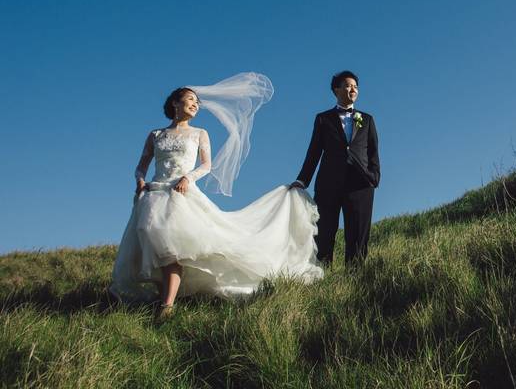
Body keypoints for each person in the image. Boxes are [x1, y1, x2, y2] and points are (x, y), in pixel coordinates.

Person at [110, 74, 324, 317]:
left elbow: (206, 165)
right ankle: (165, 296)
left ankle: (167, 306)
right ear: (175, 104)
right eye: (190, 100)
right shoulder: (156, 135)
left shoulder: (199, 133)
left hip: (181, 194)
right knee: (152, 243)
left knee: (172, 249)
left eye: (197, 102)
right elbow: (142, 165)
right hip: (155, 194)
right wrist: (140, 180)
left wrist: (187, 178)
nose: (195, 104)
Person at [290, 71, 380, 266]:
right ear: (336, 90)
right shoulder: (323, 119)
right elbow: (314, 152)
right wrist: (302, 180)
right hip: (329, 184)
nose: (353, 89)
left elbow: (373, 152)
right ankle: (321, 274)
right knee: (324, 231)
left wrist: (374, 177)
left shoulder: (367, 119)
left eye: (356, 86)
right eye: (348, 85)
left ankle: (354, 278)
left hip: (361, 185)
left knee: (357, 235)